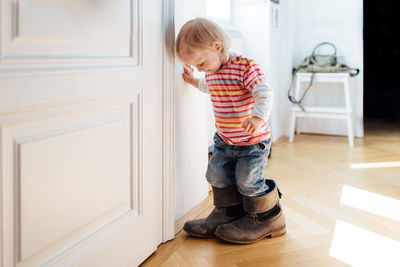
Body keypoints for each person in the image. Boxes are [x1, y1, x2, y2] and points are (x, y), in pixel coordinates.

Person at [176, 17, 286, 244]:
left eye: (201, 63)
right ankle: (227, 213)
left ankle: (267, 217)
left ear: (216, 46)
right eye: (197, 66)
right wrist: (194, 81)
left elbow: (264, 93)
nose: (200, 68)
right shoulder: (212, 71)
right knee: (217, 175)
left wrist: (257, 117)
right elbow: (211, 86)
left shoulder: (246, 67)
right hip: (225, 140)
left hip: (253, 141)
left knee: (248, 180)